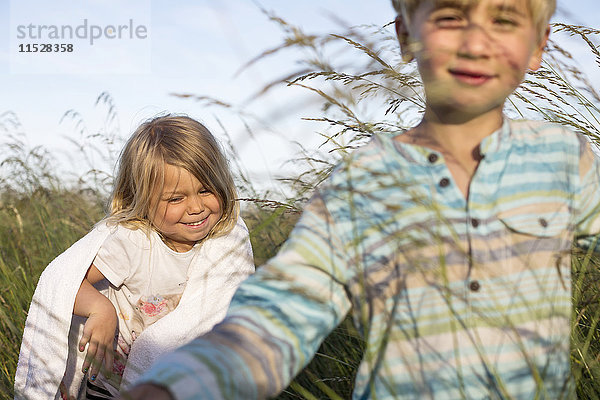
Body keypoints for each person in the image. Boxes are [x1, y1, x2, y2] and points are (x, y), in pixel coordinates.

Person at [124, 0, 600, 398]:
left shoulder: (565, 159)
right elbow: (284, 309)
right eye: (451, 17)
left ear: (539, 45)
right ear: (405, 34)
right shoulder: (362, 182)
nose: (476, 43)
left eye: (504, 19)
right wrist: (175, 386)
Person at [14, 115, 255, 399]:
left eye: (205, 190)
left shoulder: (225, 244)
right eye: (176, 199)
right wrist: (101, 309)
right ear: (141, 198)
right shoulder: (133, 242)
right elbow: (67, 283)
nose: (196, 207)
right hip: (109, 386)